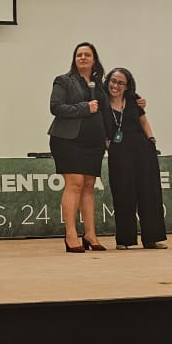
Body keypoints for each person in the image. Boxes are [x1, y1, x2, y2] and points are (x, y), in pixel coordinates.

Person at [48, 42, 107, 252]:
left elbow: (107, 109)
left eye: (87, 55)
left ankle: (90, 234)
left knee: (89, 185)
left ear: (94, 59)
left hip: (94, 142)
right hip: (67, 140)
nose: (82, 57)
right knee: (75, 183)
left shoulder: (99, 85)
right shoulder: (63, 81)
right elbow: (56, 107)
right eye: (79, 54)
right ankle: (71, 234)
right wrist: (85, 107)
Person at [103, 67, 168, 250]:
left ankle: (152, 238)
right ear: (108, 81)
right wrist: (107, 145)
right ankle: (124, 240)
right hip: (119, 153)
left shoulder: (133, 99)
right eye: (113, 81)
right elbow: (99, 127)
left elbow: (144, 121)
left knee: (149, 194)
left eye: (120, 83)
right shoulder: (101, 102)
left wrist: (151, 140)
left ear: (127, 86)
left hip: (142, 150)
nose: (115, 85)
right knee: (123, 194)